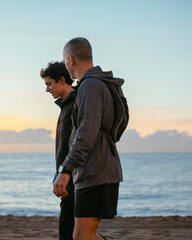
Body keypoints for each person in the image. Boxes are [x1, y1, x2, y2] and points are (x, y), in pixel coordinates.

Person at [53, 37, 123, 240]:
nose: (66, 65)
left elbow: (86, 133)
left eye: (65, 61)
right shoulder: (102, 83)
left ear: (70, 59)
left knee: (83, 236)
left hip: (95, 170)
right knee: (82, 235)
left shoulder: (90, 86)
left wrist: (65, 170)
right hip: (100, 168)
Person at [40, 61, 75, 240]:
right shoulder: (65, 106)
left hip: (76, 180)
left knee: (72, 233)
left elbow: (80, 144)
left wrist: (65, 172)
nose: (47, 89)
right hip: (67, 178)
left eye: (49, 83)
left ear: (62, 80)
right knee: (78, 233)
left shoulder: (76, 103)